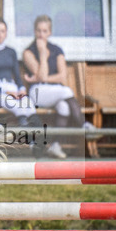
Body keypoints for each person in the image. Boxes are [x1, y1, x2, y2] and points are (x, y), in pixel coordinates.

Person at [22, 14, 93, 159]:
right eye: (38, 31)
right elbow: (42, 75)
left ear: (50, 32)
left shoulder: (57, 50)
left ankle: (55, 145)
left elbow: (62, 76)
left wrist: (43, 77)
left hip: (56, 92)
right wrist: (42, 53)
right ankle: (84, 125)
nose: (41, 34)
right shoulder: (28, 52)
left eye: (45, 31)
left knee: (64, 107)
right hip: (38, 92)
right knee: (67, 90)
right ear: (34, 31)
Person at [0, 18, 40, 133]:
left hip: (13, 89)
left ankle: (37, 141)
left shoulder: (11, 52)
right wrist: (6, 92)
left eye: (3, 31)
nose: (0, 34)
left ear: (6, 32)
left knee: (29, 104)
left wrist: (21, 89)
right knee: (18, 107)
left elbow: (17, 75)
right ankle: (28, 140)